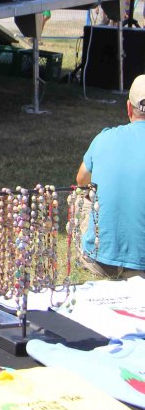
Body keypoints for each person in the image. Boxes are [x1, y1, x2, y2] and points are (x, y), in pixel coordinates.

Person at [75, 73, 145, 279]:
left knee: (82, 196)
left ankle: (94, 246)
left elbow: (81, 180)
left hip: (99, 261)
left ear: (128, 108)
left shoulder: (104, 137)